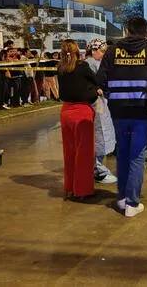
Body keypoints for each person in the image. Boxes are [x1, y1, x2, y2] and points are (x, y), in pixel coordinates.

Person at [97, 16, 147, 217]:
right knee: (137, 155)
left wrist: (112, 94)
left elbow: (100, 80)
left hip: (118, 111)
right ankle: (132, 203)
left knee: (123, 154)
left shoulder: (112, 51)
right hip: (142, 111)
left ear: (127, 31)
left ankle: (121, 199)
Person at [58, 39, 101, 200]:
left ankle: (69, 187)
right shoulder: (82, 66)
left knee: (69, 152)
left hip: (66, 112)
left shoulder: (60, 67)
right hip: (82, 112)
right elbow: (95, 81)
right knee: (84, 153)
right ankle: (82, 189)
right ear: (77, 50)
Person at [85, 39, 117, 185]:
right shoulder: (90, 64)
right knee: (98, 135)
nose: (104, 55)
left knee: (102, 134)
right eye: (102, 51)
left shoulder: (96, 63)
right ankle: (97, 170)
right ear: (93, 50)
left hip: (101, 104)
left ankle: (97, 167)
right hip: (96, 105)